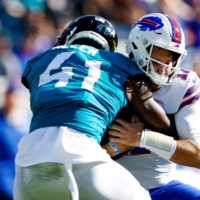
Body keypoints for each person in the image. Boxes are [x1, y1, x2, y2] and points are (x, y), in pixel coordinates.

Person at [13, 14, 155, 200]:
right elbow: (74, 143)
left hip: (26, 168)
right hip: (81, 164)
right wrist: (139, 138)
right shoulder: (117, 66)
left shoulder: (39, 62)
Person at [102, 13, 200, 200]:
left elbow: (197, 156)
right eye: (159, 56)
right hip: (111, 187)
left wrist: (143, 138)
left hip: (161, 187)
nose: (165, 68)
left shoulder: (184, 85)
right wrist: (118, 145)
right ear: (139, 48)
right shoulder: (110, 77)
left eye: (171, 58)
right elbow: (82, 151)